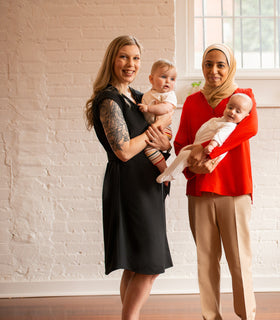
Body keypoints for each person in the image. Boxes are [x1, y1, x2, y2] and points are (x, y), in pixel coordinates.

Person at [84, 35, 173, 320]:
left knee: (136, 265)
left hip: (148, 187)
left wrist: (164, 144)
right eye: (124, 57)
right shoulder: (109, 100)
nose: (130, 64)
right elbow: (123, 150)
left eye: (135, 58)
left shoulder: (137, 97)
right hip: (130, 188)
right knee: (149, 265)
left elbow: (160, 140)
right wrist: (154, 132)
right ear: (112, 59)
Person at [174, 43, 258, 320]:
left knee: (239, 261)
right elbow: (181, 142)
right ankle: (211, 317)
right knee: (206, 262)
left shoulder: (243, 97)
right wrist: (192, 168)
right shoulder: (191, 101)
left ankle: (247, 316)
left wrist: (209, 149)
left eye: (221, 64)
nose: (214, 70)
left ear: (230, 67)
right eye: (209, 64)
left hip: (234, 189)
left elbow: (249, 128)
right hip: (199, 190)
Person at [157, 93, 252, 183]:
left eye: (238, 111)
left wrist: (211, 145)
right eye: (230, 107)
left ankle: (171, 174)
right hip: (198, 146)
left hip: (208, 152)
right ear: (226, 106)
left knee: (184, 155)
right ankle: (170, 170)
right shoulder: (218, 120)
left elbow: (220, 136)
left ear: (245, 116)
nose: (232, 112)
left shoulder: (230, 126)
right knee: (183, 153)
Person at [139, 59, 177, 174]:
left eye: (172, 79)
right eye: (163, 77)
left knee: (149, 149)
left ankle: (164, 170)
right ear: (151, 79)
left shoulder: (169, 95)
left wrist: (148, 108)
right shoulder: (148, 94)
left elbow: (165, 108)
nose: (168, 81)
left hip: (164, 130)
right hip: (154, 128)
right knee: (148, 149)